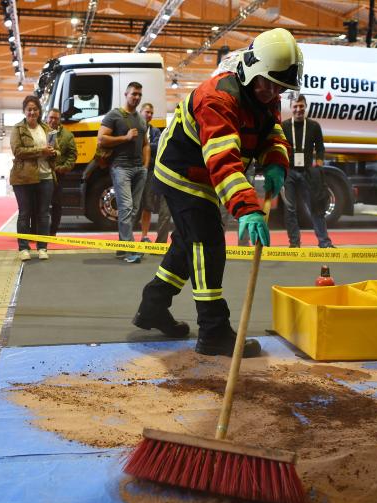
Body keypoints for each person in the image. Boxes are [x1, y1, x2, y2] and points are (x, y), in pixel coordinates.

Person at [132, 28, 300, 358]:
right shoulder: (218, 98)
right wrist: (247, 208)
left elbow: (271, 131)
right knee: (207, 241)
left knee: (186, 242)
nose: (273, 93)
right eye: (270, 84)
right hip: (183, 172)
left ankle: (153, 306)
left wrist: (276, 160)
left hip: (205, 172)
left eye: (281, 87)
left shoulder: (266, 87)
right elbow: (224, 160)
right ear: (254, 70)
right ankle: (213, 331)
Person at [98, 81, 150, 263]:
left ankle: (122, 248)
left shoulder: (141, 119)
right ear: (126, 94)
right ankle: (130, 250)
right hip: (121, 168)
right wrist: (125, 137)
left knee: (133, 210)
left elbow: (145, 144)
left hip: (139, 169)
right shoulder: (114, 115)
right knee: (127, 208)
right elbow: (101, 139)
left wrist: (145, 166)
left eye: (139, 95)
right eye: (134, 94)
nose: (136, 97)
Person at [281, 94, 334, 248]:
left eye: (301, 106)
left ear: (305, 106)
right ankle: (294, 243)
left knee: (315, 206)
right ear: (290, 108)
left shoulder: (314, 126)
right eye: (295, 106)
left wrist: (318, 164)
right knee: (290, 208)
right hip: (289, 172)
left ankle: (324, 242)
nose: (298, 109)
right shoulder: (284, 126)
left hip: (307, 172)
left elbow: (320, 148)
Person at [10, 95, 56, 261]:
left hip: (47, 177)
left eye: (35, 109)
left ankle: (42, 247)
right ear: (24, 111)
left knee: (44, 214)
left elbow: (53, 150)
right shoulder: (18, 129)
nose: (32, 112)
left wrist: (53, 153)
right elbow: (18, 151)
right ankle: (23, 248)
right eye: (29, 109)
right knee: (25, 213)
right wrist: (40, 151)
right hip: (23, 178)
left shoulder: (47, 128)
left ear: (39, 111)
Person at [138, 102, 173, 244]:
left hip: (152, 171)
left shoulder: (156, 131)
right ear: (140, 112)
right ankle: (135, 238)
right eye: (147, 112)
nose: (149, 115)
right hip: (134, 170)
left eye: (151, 113)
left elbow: (158, 147)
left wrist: (143, 146)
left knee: (148, 204)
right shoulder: (135, 129)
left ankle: (144, 236)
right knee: (136, 207)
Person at [46, 108, 77, 236]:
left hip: (58, 175)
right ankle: (38, 232)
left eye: (56, 118)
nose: (53, 120)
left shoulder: (67, 135)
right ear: (47, 118)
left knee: (56, 205)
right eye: (51, 117)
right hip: (40, 174)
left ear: (60, 120)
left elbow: (72, 156)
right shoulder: (39, 131)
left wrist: (63, 168)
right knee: (40, 205)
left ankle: (53, 232)